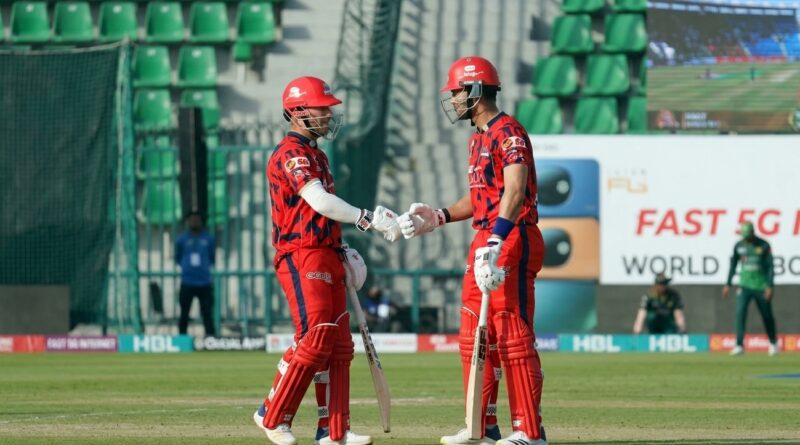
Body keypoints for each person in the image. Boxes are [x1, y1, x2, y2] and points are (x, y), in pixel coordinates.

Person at [398, 56, 547, 445]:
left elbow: (515, 191)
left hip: (511, 235)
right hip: (486, 236)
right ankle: (481, 424)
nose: (453, 98)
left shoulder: (507, 130)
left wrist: (497, 238)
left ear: (477, 89)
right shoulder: (478, 137)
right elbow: (483, 196)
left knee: (512, 335)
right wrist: (440, 215)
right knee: (474, 338)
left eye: (458, 91)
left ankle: (530, 431)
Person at [253, 75, 401, 445]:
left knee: (338, 346)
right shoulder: (291, 153)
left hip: (325, 250)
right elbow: (319, 202)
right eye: (322, 108)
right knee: (315, 337)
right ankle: (272, 414)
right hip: (301, 254)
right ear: (299, 111)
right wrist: (367, 219)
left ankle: (333, 431)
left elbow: (322, 215)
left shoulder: (316, 153)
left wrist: (342, 247)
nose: (328, 115)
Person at [722, 221, 778, 356]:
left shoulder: (764, 245)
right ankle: (739, 345)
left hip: (761, 286)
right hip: (744, 285)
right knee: (740, 314)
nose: (747, 238)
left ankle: (773, 343)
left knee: (766, 315)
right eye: (744, 235)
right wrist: (728, 284)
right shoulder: (739, 245)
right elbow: (733, 265)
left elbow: (770, 267)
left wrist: (770, 286)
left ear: (753, 232)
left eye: (748, 235)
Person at [175, 211, 216, 337]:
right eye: (192, 220)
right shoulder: (182, 239)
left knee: (207, 312)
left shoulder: (208, 238)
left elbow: (212, 257)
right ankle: (182, 338)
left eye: (197, 220)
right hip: (187, 281)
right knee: (184, 312)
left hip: (204, 282)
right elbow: (177, 257)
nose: (194, 223)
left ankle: (211, 339)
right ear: (187, 222)